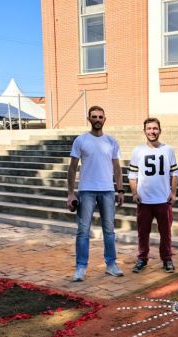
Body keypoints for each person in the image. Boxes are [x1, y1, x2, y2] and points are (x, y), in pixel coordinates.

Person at [67, 106, 125, 282]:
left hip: (107, 190)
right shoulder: (81, 140)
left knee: (109, 230)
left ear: (105, 119)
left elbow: (117, 168)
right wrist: (71, 193)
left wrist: (120, 190)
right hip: (86, 190)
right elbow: (72, 168)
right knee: (83, 231)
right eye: (94, 117)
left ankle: (111, 264)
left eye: (100, 116)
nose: (97, 119)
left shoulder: (111, 142)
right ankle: (80, 268)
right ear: (89, 119)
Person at [128, 118, 178, 273]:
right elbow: (132, 174)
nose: (152, 131)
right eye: (149, 128)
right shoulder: (138, 150)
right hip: (144, 199)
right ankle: (142, 259)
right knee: (143, 233)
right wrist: (134, 192)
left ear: (160, 130)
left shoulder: (168, 150)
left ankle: (167, 259)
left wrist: (173, 192)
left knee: (166, 233)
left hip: (163, 199)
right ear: (144, 131)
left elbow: (175, 172)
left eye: (155, 128)